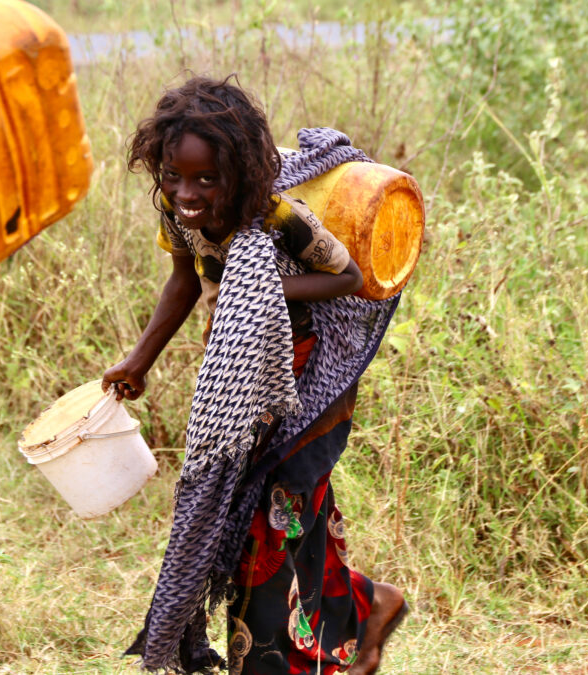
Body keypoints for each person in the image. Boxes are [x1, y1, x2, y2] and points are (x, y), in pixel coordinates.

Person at [103, 75, 408, 675]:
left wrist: (258, 287)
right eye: (173, 175)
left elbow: (347, 278)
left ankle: (271, 663)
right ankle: (372, 604)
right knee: (277, 517)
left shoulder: (275, 213)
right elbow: (186, 279)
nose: (186, 192)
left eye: (205, 179)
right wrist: (139, 360)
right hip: (239, 379)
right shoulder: (177, 209)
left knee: (266, 523)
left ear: (238, 174)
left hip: (303, 382)